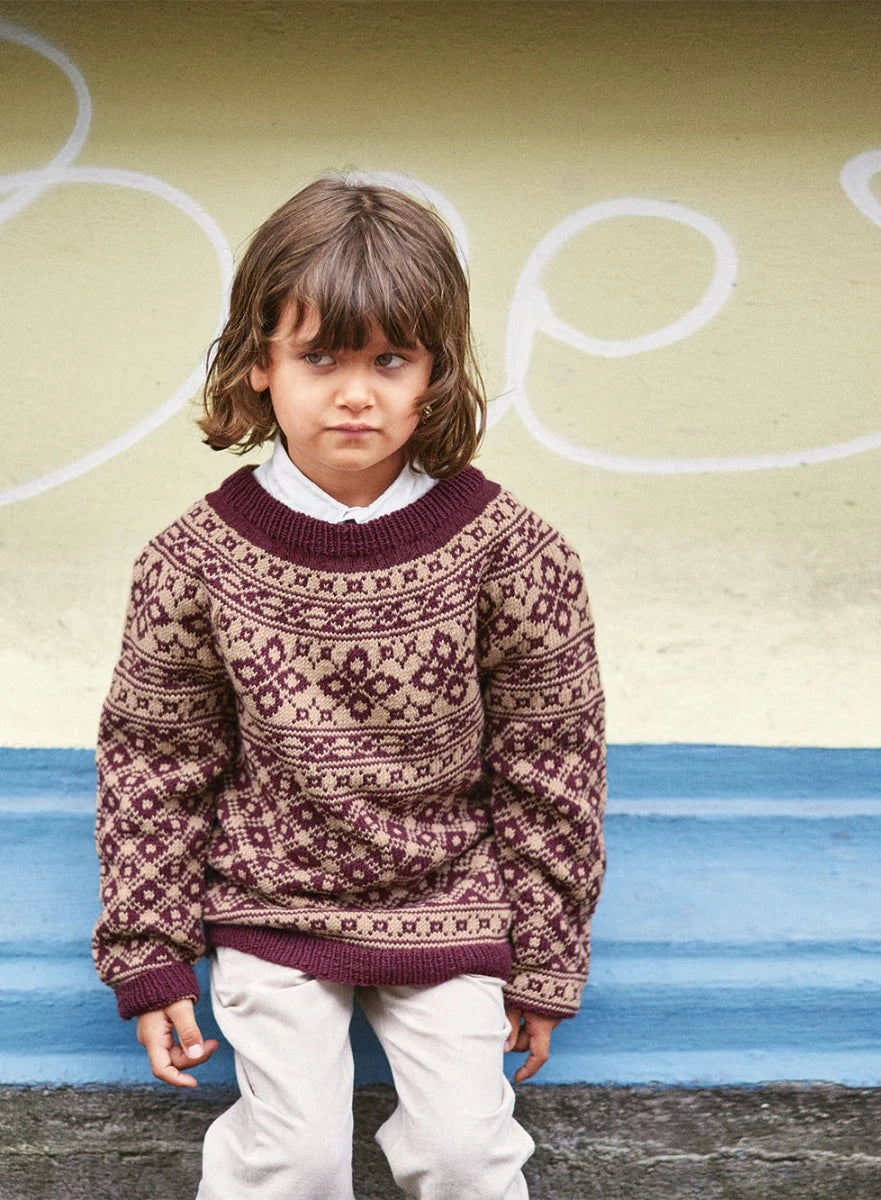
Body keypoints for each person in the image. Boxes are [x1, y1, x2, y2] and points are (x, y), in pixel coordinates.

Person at [92, 176, 606, 1200]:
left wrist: (547, 961)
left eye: (390, 360)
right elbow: (154, 761)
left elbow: (552, 761)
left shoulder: (515, 553)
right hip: (269, 907)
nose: (356, 393)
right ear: (259, 364)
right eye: (320, 357)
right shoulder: (191, 561)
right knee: (296, 1160)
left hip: (449, 903)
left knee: (467, 1155)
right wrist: (149, 955)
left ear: (436, 372)